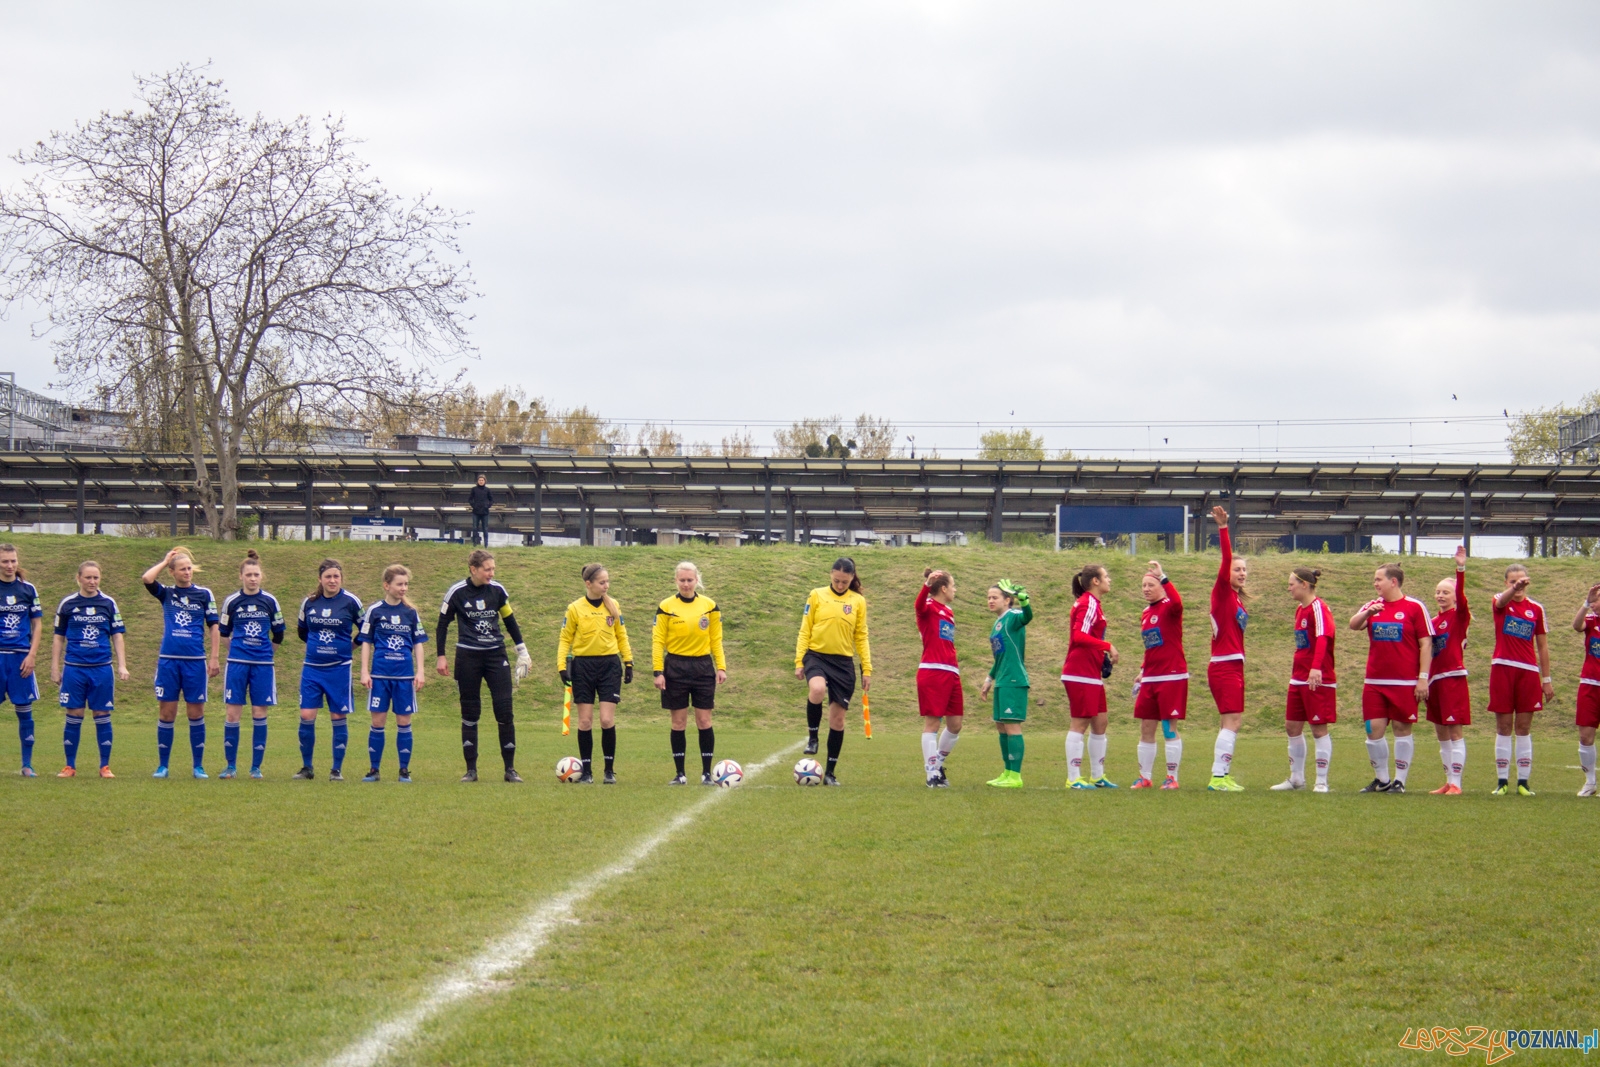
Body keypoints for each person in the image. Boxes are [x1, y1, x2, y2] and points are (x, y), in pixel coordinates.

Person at [438, 549, 533, 783]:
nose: (492, 573)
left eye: (493, 569)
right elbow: (442, 625)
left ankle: (510, 769)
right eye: (487, 569)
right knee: (470, 712)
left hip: (495, 656)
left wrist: (522, 650)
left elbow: (509, 620)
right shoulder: (457, 592)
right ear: (473, 569)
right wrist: (441, 656)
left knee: (504, 710)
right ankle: (471, 770)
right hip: (467, 657)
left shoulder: (497, 591)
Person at [1349, 563, 1433, 794]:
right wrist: (1368, 612)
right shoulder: (1373, 605)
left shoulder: (1415, 607)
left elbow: (1426, 644)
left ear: (1393, 581)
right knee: (1372, 729)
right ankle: (1382, 779)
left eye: (1379, 579)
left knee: (1401, 728)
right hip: (1374, 682)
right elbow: (1353, 624)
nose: (1375, 583)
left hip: (1404, 682)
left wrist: (1422, 678)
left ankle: (1400, 781)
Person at [141, 546, 220, 779]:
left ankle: (198, 766)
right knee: (167, 713)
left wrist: (214, 658)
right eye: (182, 569)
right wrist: (165, 560)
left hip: (195, 661)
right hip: (169, 661)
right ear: (172, 572)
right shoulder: (166, 593)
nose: (187, 572)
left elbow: (214, 627)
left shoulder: (204, 594)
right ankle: (163, 766)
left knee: (196, 712)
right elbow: (147, 579)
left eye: (189, 568)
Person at [794, 557, 871, 786]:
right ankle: (813, 738)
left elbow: (861, 636)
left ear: (851, 578)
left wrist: (867, 668)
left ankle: (829, 773)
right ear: (830, 575)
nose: (840, 585)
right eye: (836, 580)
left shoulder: (858, 601)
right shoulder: (816, 595)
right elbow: (805, 629)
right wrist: (799, 661)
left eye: (844, 582)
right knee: (817, 689)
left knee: (838, 720)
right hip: (816, 656)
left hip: (843, 663)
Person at [51, 561, 128, 778]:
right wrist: (54, 667)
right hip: (74, 668)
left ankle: (105, 766)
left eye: (96, 577)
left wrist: (122, 665)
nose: (92, 582)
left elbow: (117, 635)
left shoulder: (108, 603)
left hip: (101, 668)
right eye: (88, 577)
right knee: (74, 714)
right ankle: (70, 766)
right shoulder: (67, 604)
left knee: (102, 713)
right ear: (79, 578)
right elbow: (58, 637)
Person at [652, 561, 726, 785]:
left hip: (703, 667)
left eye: (690, 580)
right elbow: (658, 641)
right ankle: (680, 774)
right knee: (678, 722)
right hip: (675, 667)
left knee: (704, 720)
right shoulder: (666, 606)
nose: (686, 584)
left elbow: (716, 639)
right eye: (682, 580)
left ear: (696, 580)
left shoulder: (710, 606)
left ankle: (706, 773)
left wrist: (721, 667)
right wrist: (658, 671)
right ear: (676, 580)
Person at [560, 563, 632, 783]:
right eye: (602, 582)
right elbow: (565, 639)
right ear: (588, 583)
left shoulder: (613, 605)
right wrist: (562, 667)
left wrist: (628, 662)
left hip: (609, 666)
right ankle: (587, 772)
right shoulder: (575, 608)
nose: (606, 585)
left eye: (607, 581)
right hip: (583, 667)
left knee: (607, 720)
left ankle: (609, 771)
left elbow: (621, 636)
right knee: (585, 722)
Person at [217, 550, 286, 779]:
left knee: (259, 712)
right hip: (237, 663)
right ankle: (230, 766)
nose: (253, 578)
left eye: (256, 574)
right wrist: (238, 651)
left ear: (261, 575)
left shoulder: (270, 601)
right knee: (232, 714)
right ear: (241, 576)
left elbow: (279, 634)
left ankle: (256, 768)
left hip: (263, 665)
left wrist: (264, 653)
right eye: (248, 575)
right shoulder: (232, 601)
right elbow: (223, 633)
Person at [295, 559, 364, 781]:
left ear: (341, 578)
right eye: (328, 576)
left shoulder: (351, 601)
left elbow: (366, 630)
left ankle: (336, 770)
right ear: (320, 579)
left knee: (338, 715)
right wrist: (318, 647)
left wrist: (348, 647)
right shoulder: (309, 602)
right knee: (306, 715)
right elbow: (302, 631)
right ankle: (307, 768)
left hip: (339, 669)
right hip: (312, 668)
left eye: (336, 576)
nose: (332, 580)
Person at [358, 564, 428, 783]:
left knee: (404, 723)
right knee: (378, 722)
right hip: (379, 677)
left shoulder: (410, 612)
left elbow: (418, 643)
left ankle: (404, 770)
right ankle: (374, 770)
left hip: (404, 677)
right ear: (386, 585)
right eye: (399, 584)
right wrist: (364, 671)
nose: (404, 588)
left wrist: (420, 672)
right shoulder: (375, 611)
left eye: (406, 584)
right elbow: (366, 642)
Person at [1488, 563, 1551, 795]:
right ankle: (1502, 782)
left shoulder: (1536, 609)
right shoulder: (1500, 601)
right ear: (1506, 583)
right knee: (1503, 726)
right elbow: (1500, 602)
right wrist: (1513, 589)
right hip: (1502, 669)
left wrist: (1547, 678)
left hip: (1528, 672)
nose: (1519, 584)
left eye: (1522, 580)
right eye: (1514, 581)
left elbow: (1542, 646)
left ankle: (1523, 782)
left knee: (1523, 727)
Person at [1274, 565, 1337, 792]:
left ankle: (1321, 780)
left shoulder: (1318, 608)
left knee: (1318, 729)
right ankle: (1297, 779)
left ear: (1304, 585)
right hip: (1298, 678)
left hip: (1317, 678)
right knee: (1292, 727)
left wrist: (1316, 668)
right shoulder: (1299, 610)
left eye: (1291, 584)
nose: (1288, 588)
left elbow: (1323, 638)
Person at [1130, 561, 1189, 790]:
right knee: (1146, 727)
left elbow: (1178, 602)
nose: (1146, 589)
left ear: (1162, 586)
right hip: (1151, 678)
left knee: (1168, 727)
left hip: (1171, 676)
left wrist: (1163, 576)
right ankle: (1145, 777)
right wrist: (1142, 670)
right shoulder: (1146, 613)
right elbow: (1151, 646)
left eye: (1151, 585)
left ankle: (1172, 777)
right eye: (1143, 585)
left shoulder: (1170, 607)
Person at [1061, 562, 1118, 788]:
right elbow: (1079, 636)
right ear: (1095, 581)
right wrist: (1107, 646)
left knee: (1100, 722)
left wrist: (1100, 656)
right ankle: (1073, 778)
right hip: (1080, 672)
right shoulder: (1088, 603)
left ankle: (1097, 776)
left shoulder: (1093, 603)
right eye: (1106, 576)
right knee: (1080, 723)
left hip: (1091, 672)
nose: (1109, 580)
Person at [1207, 505, 1249, 791]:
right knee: (1232, 722)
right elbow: (1225, 559)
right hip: (1224, 665)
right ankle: (1218, 777)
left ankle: (1222, 775)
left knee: (1230, 721)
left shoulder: (1236, 599)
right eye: (1237, 569)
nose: (1242, 573)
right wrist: (1223, 529)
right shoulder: (1222, 592)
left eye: (1244, 569)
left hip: (1231, 664)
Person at [1426, 547, 1472, 795]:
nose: (1440, 595)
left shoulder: (1459, 616)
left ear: (1455, 596)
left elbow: (1463, 598)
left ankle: (1457, 783)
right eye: (1438, 592)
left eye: (1446, 592)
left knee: (1455, 732)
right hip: (1434, 681)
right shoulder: (1433, 623)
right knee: (1441, 732)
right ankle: (1448, 781)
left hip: (1452, 678)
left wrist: (1460, 568)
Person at [981, 579, 1032, 787]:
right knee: (1001, 727)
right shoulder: (997, 623)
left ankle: (1015, 776)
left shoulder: (1013, 616)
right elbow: (1000, 657)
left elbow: (1028, 616)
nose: (990, 601)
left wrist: (1024, 599)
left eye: (995, 597)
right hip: (1002, 681)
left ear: (1007, 600)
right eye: (988, 598)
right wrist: (989, 679)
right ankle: (1007, 772)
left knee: (1012, 727)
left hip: (1014, 680)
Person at [914, 568, 962, 787]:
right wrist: (926, 586)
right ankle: (931, 773)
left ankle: (938, 764)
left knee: (955, 725)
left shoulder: (948, 611)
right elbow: (918, 606)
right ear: (943, 588)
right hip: (933, 671)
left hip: (951, 672)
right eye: (953, 585)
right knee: (932, 723)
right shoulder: (928, 607)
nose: (955, 589)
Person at [0, 544, 43, 777]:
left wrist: (32, 655)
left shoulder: (28, 589)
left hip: (21, 658)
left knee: (25, 711)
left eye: (13, 561)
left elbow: (37, 624)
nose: (10, 566)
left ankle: (27, 764)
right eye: (5, 561)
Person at [1573, 581, 1600, 797]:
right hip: (1590, 684)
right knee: (1585, 736)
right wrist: (1585, 602)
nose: (1593, 602)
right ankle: (1590, 783)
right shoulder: (1591, 620)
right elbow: (1576, 625)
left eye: (1596, 599)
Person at [469, 474, 493, 547]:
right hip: (476, 512)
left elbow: (491, 500)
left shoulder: (487, 490)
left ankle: (486, 544)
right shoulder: (474, 489)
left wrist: (487, 506)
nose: (481, 481)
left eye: (482, 480)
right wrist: (474, 506)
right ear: (477, 481)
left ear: (485, 481)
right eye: (480, 480)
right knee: (474, 528)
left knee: (485, 528)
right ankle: (474, 543)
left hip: (485, 512)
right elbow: (470, 499)